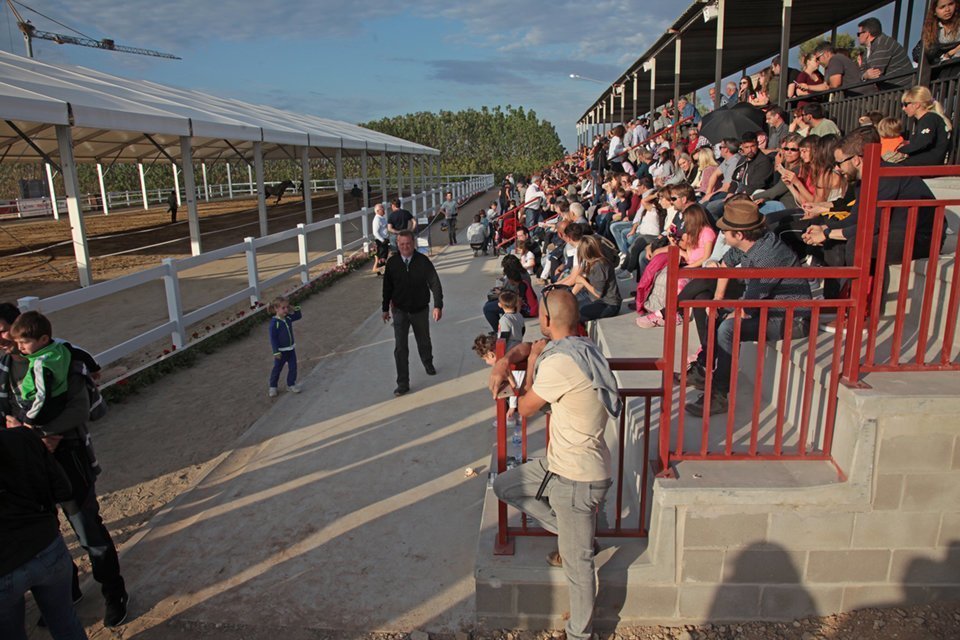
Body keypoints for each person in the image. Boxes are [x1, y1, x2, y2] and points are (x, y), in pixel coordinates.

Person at [488, 286, 620, 640]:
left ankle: (580, 634)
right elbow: (527, 346)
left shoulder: (561, 362)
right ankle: (575, 536)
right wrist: (505, 361)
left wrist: (531, 364)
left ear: (546, 318)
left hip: (577, 478)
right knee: (504, 485)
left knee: (578, 567)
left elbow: (524, 408)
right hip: (561, 465)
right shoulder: (582, 347)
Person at [0, 304, 129, 629]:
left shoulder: (59, 359)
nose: (1, 339)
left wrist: (41, 433)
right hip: (30, 465)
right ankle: (67, 590)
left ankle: (114, 592)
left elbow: (78, 408)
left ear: (19, 326)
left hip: (68, 457)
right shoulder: (4, 367)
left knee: (88, 529)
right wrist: (23, 435)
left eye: (2, 331)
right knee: (48, 532)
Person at [684, 199, 811, 415]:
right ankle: (704, 369)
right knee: (713, 309)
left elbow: (749, 306)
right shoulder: (752, 242)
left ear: (739, 235)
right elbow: (726, 264)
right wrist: (718, 300)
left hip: (791, 318)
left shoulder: (767, 255)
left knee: (728, 328)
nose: (722, 234)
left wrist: (729, 312)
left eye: (725, 231)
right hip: (767, 308)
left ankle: (719, 396)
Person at [0, 424, 88, 640]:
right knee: (65, 622)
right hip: (48, 548)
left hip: (5, 568)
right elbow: (63, 490)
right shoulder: (22, 437)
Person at [381, 231, 443, 396]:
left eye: (408, 243)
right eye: (401, 244)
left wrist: (438, 306)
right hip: (399, 311)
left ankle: (427, 362)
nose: (405, 247)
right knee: (400, 348)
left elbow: (435, 283)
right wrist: (385, 308)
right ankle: (403, 383)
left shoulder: (423, 261)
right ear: (397, 244)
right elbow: (387, 287)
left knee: (424, 341)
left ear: (413, 243)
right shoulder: (392, 263)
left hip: (419, 310)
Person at [8, 312, 72, 426]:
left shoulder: (40, 364)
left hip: (36, 405)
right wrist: (94, 368)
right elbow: (83, 354)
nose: (20, 347)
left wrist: (28, 420)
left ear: (44, 339)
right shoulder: (61, 348)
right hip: (61, 398)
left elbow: (42, 395)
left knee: (13, 427)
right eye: (17, 343)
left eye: (24, 342)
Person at [897, 86, 951, 165]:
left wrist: (899, 150)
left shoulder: (929, 118)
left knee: (885, 165)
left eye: (905, 104)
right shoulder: (928, 118)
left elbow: (923, 142)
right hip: (926, 161)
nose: (903, 108)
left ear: (917, 105)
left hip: (927, 163)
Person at [571, 235, 622, 322]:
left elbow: (598, 294)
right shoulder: (590, 262)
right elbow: (580, 282)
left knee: (577, 312)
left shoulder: (599, 266)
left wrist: (583, 281)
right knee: (570, 305)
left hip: (609, 304)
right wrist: (569, 296)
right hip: (595, 299)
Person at [857, 18, 914, 88]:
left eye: (859, 34)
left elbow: (875, 73)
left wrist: (865, 75)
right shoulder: (868, 49)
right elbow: (861, 72)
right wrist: (865, 75)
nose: (858, 37)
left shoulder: (883, 44)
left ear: (867, 33)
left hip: (902, 89)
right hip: (890, 90)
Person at [267, 296, 302, 397]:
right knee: (277, 369)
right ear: (276, 308)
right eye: (283, 308)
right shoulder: (274, 323)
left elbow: (298, 316)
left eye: (287, 307)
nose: (286, 309)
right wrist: (276, 351)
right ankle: (273, 386)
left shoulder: (288, 318)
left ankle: (291, 384)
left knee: (293, 367)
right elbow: (273, 338)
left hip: (291, 349)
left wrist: (296, 307)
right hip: (281, 352)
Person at [801, 44, 865, 96]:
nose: (818, 62)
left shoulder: (835, 59)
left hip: (859, 97)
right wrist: (808, 87)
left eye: (818, 58)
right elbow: (825, 86)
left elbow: (835, 84)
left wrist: (829, 85)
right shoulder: (828, 66)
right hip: (854, 97)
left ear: (826, 54)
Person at [912, 0, 960, 66]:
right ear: (934, 11)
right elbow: (917, 54)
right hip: (941, 66)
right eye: (942, 7)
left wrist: (950, 53)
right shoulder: (932, 30)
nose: (947, 9)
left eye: (951, 4)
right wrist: (946, 55)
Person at [372, 203, 390, 275]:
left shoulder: (382, 218)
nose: (384, 210)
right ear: (377, 211)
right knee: (382, 256)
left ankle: (381, 271)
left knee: (384, 255)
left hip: (384, 239)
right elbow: (375, 232)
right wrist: (382, 240)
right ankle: (381, 271)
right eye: (382, 209)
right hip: (381, 241)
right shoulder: (377, 219)